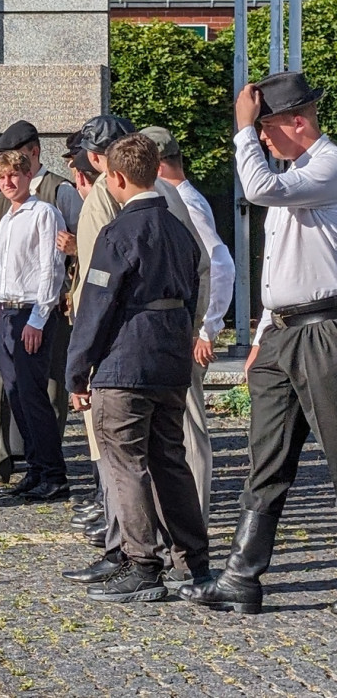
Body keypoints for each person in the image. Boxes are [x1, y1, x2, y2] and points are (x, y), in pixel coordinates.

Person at [181, 71, 337, 615]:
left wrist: (242, 130)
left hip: (324, 327)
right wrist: (264, 327)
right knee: (265, 460)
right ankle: (241, 578)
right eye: (259, 129)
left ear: (298, 121)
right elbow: (280, 262)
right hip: (283, 331)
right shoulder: (296, 170)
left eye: (269, 127)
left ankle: (241, 576)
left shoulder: (328, 163)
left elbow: (258, 188)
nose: (262, 138)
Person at [60, 114, 213, 584]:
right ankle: (193, 560)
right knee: (171, 463)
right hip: (170, 359)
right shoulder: (179, 228)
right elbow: (199, 282)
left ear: (116, 176)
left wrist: (77, 368)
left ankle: (143, 564)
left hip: (124, 360)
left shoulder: (119, 231)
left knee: (124, 463)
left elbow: (96, 302)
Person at [0, 120, 82, 487]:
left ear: (29, 172)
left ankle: (51, 472)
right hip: (6, 312)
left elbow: (51, 268)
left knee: (36, 396)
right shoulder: (10, 213)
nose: (7, 183)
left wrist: (37, 318)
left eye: (15, 176)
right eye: (2, 178)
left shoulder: (46, 208)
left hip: (34, 310)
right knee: (16, 394)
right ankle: (33, 468)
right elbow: (0, 270)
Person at [141, 125, 236, 525]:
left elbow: (219, 264)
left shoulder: (182, 199)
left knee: (188, 421)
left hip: (188, 325)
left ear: (157, 164)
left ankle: (193, 510)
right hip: (185, 321)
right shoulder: (179, 195)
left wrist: (207, 329)